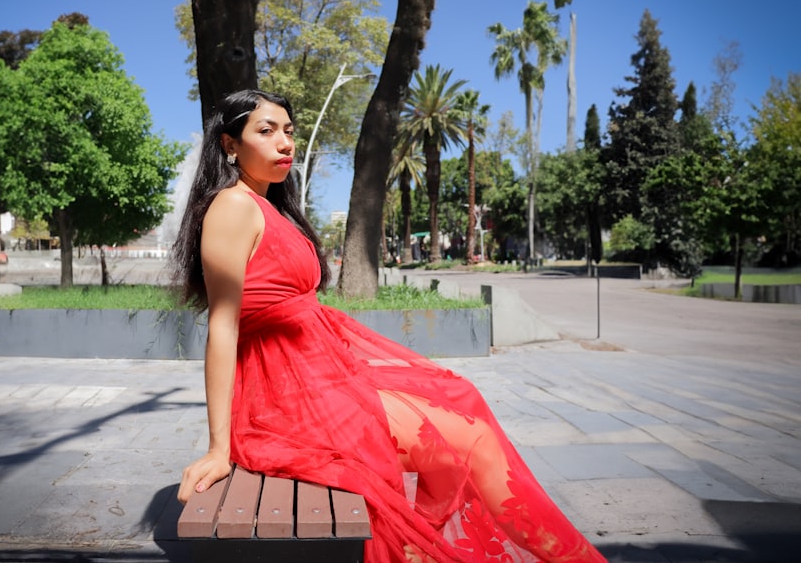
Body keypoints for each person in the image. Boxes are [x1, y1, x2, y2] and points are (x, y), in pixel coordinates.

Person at [169, 89, 606, 562]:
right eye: (266, 131)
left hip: (320, 379)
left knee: (461, 401)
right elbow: (223, 327)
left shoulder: (269, 206)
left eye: (289, 132)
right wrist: (219, 447)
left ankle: (430, 547)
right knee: (470, 436)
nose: (285, 143)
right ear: (230, 145)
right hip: (289, 398)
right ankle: (565, 557)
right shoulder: (233, 207)